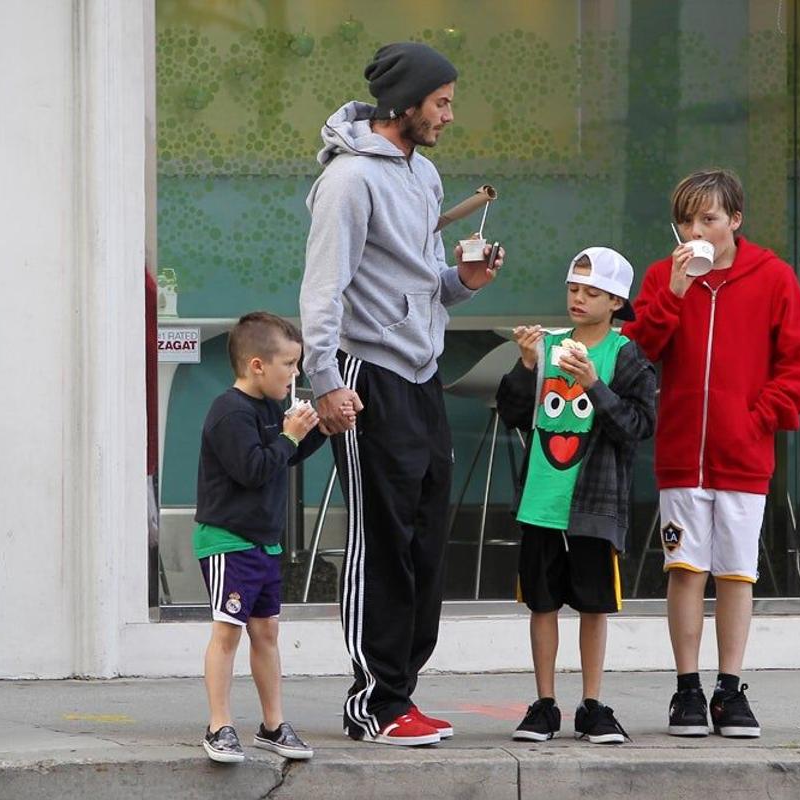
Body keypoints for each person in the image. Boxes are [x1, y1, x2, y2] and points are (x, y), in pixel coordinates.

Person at [299, 42, 505, 746]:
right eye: (442, 102)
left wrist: (462, 283)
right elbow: (323, 289)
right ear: (406, 104)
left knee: (422, 538)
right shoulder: (350, 182)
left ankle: (403, 693)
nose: (450, 114)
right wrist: (323, 381)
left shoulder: (424, 174)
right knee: (380, 538)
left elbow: (421, 281)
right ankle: (374, 704)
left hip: (421, 376)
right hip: (364, 376)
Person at [623, 170, 800, 739]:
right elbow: (637, 355)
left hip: (743, 456)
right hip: (683, 454)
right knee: (685, 571)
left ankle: (729, 691)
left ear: (734, 220)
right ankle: (687, 690)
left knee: (737, 574)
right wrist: (675, 295)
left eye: (708, 218)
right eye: (685, 220)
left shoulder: (774, 277)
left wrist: (758, 419)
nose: (696, 230)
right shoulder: (665, 278)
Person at [496, 247, 656, 745]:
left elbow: (638, 426)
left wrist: (594, 384)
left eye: (591, 292)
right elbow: (513, 413)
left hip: (594, 505)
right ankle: (544, 704)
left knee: (593, 605)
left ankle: (592, 704)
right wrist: (525, 366)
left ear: (615, 301)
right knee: (541, 605)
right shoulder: (548, 346)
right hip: (541, 501)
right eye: (573, 289)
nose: (578, 299)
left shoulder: (624, 353)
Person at [194, 311, 341, 763]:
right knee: (228, 632)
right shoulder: (228, 411)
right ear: (257, 365)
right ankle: (219, 724)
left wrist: (321, 428)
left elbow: (284, 458)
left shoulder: (269, 410)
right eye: (289, 364)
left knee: (267, 631)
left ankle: (273, 724)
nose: (295, 374)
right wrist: (291, 436)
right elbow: (254, 468)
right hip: (228, 541)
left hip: (263, 542)